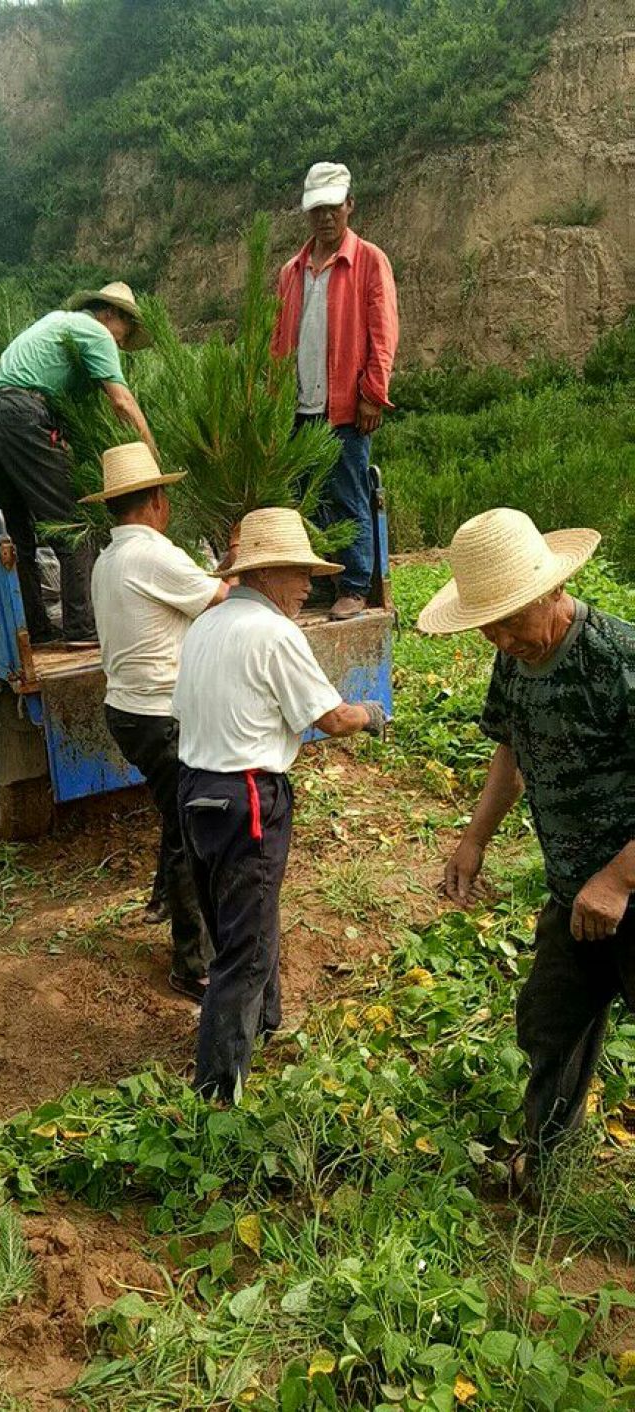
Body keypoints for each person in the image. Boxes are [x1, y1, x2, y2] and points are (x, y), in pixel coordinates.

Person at [417, 507, 635, 1184]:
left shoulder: (618, 659)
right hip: (575, 893)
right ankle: (541, 1165)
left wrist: (619, 881)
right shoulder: (514, 662)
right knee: (549, 1024)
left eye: (511, 618)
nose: (500, 637)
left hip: (626, 884)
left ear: (553, 591)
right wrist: (472, 841)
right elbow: (510, 752)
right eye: (487, 623)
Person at [173, 507, 386, 1100]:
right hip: (247, 796)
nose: (308, 586)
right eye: (300, 574)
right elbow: (331, 717)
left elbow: (184, 712)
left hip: (196, 789)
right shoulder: (273, 633)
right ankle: (218, 1093)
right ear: (270, 574)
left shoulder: (206, 626)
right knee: (247, 946)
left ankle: (262, 1024)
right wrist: (371, 714)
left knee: (235, 921)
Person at [86, 442, 228, 1001]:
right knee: (194, 831)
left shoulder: (108, 559)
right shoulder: (154, 553)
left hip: (126, 711)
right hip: (160, 714)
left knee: (175, 808)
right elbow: (219, 597)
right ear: (158, 502)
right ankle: (192, 964)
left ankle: (162, 899)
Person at [0, 282, 156, 648]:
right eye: (124, 334)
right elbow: (122, 403)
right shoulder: (96, 333)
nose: (119, 344)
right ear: (110, 314)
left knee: (15, 534)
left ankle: (36, 630)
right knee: (72, 526)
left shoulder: (56, 322)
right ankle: (83, 630)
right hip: (20, 414)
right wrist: (151, 453)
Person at [271, 162, 399, 622]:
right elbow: (278, 338)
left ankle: (354, 584)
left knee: (347, 494)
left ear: (349, 205)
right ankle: (325, 582)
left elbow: (382, 334)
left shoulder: (368, 260)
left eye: (333, 207)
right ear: (308, 213)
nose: (326, 217)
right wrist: (273, 397)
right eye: (317, 209)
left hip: (345, 403)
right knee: (310, 497)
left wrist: (373, 393)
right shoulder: (293, 270)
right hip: (300, 405)